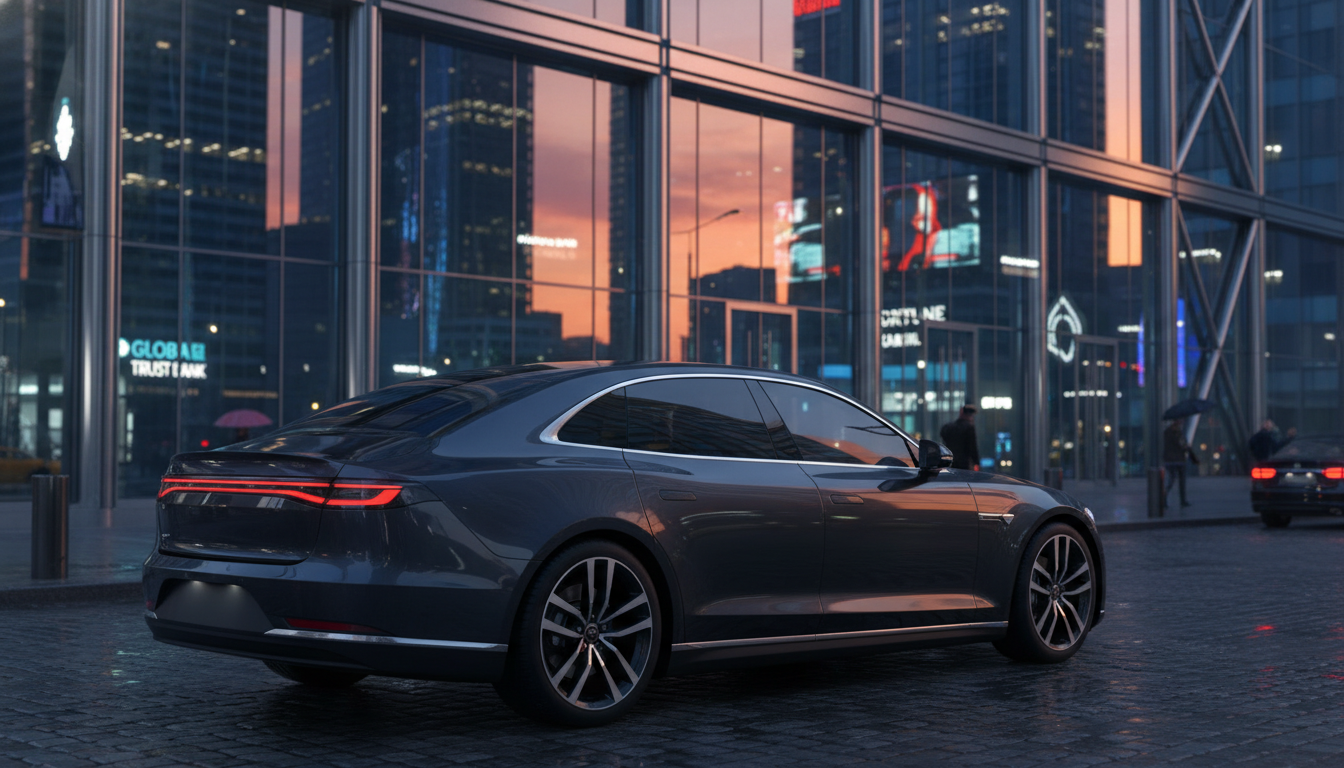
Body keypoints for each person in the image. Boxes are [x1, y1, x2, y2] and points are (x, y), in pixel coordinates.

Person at [1163, 419, 1200, 508]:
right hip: (1179, 460)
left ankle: (1164, 499)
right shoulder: (1178, 433)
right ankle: (1182, 500)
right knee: (1181, 481)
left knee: (1170, 480)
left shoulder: (1166, 433)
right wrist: (1193, 458)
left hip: (1169, 460)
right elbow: (1184, 446)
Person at [939, 404, 981, 471]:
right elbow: (972, 447)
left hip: (951, 461)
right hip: (964, 463)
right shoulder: (969, 428)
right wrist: (976, 462)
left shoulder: (948, 427)